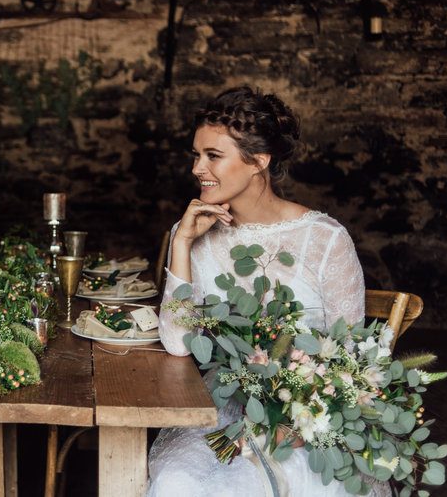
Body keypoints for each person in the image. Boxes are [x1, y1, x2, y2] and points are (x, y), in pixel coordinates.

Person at [147, 86, 388, 497]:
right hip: (223, 409)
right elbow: (177, 343)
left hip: (307, 419)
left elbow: (352, 358)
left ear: (259, 161)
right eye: (196, 154)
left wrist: (302, 417)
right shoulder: (192, 235)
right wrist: (182, 244)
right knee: (175, 483)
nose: (197, 168)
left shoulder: (324, 240)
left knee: (242, 486)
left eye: (213, 155)